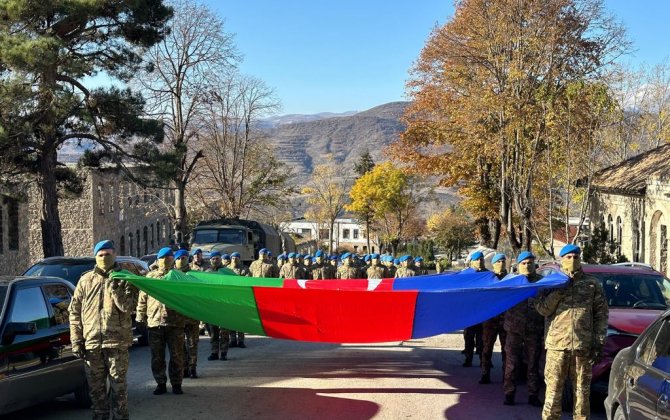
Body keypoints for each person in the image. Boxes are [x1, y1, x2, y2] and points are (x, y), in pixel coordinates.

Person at [536, 244, 608, 419]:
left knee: (582, 396)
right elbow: (542, 310)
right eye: (568, 257)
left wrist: (598, 343)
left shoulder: (592, 284)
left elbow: (601, 315)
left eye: (576, 257)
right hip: (557, 347)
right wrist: (559, 292)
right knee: (553, 394)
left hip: (582, 347)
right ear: (562, 260)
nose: (573, 260)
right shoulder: (552, 283)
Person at [69, 240, 138, 419]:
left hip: (117, 342)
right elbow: (74, 312)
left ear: (114, 255)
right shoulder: (85, 280)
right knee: (96, 389)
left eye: (108, 254)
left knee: (118, 387)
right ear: (95, 257)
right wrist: (76, 340)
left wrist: (115, 287)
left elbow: (128, 308)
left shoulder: (125, 277)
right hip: (92, 344)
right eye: (100, 255)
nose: (104, 258)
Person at [136, 247, 186, 395]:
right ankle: (160, 383)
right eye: (163, 258)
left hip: (175, 323)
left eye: (169, 258)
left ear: (173, 259)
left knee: (177, 356)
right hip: (155, 323)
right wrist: (140, 317)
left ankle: (176, 383)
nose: (165, 260)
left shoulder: (179, 276)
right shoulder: (150, 277)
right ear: (157, 260)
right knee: (157, 357)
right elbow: (142, 299)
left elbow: (188, 299)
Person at [503, 251, 544, 406]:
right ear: (518, 265)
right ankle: (509, 393)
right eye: (524, 263)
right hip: (514, 329)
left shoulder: (542, 283)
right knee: (512, 363)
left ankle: (533, 395)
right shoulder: (510, 282)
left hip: (534, 330)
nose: (527, 266)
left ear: (535, 264)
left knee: (533, 363)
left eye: (530, 263)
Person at [479, 253, 508, 385]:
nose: (501, 264)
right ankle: (485, 374)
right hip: (490, 320)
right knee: (486, 349)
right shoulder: (488, 278)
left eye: (503, 261)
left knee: (506, 350)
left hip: (506, 320)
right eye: (498, 262)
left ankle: (506, 376)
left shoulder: (511, 279)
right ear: (493, 264)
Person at [173, 249, 200, 379]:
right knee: (179, 345)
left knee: (192, 344)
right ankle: (183, 368)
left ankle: (192, 368)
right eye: (178, 258)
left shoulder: (194, 275)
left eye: (183, 258)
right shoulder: (171, 275)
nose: (181, 260)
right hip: (177, 317)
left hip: (192, 316)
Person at [463, 250, 486, 367]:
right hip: (469, 312)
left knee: (482, 338)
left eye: (481, 259)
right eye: (477, 259)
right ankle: (468, 358)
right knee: (469, 337)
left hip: (483, 312)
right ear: (471, 261)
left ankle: (484, 360)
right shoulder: (466, 274)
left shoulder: (488, 274)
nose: (479, 261)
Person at [229, 252, 250, 348]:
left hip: (240, 297)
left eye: (236, 257)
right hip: (229, 298)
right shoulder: (227, 269)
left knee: (241, 320)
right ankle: (232, 339)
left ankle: (241, 340)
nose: (234, 259)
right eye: (233, 258)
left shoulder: (244, 269)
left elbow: (247, 281)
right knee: (231, 320)